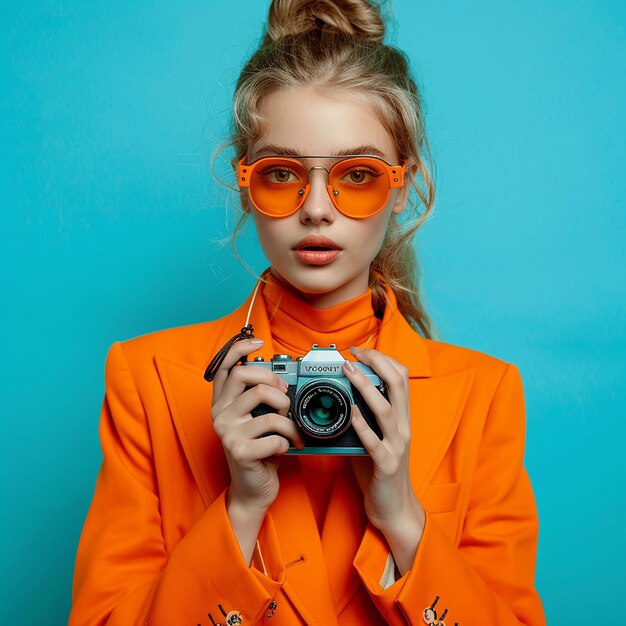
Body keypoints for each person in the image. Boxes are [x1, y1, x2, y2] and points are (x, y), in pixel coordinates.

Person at [69, 1, 546, 624]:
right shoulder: (148, 380)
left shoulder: (485, 397)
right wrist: (240, 509)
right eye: (281, 173)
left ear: (403, 185)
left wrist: (403, 518)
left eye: (357, 175)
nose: (317, 209)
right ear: (243, 181)